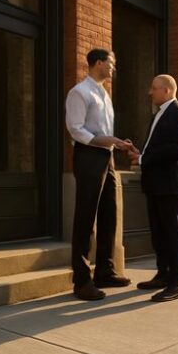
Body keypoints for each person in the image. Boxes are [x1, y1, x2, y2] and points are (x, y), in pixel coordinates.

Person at [65, 49, 132, 301]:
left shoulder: (104, 93)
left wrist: (115, 143)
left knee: (109, 214)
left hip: (108, 156)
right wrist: (103, 140)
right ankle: (82, 281)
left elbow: (104, 129)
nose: (114, 67)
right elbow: (75, 129)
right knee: (86, 217)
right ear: (98, 63)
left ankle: (105, 271)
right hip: (89, 155)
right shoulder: (79, 92)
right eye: (111, 63)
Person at [128, 75, 178, 302]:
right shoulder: (159, 114)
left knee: (171, 233)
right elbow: (158, 148)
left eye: (154, 88)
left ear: (166, 90)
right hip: (154, 184)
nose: (150, 92)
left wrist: (146, 159)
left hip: (168, 185)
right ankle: (163, 274)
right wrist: (140, 155)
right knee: (158, 232)